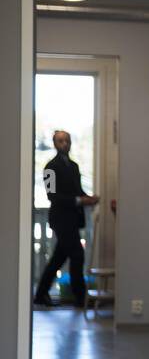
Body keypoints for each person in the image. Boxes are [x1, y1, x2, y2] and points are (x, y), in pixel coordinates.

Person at [33, 130, 98, 308]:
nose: (64, 144)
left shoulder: (74, 166)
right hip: (61, 220)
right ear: (54, 144)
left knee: (58, 258)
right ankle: (81, 297)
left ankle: (40, 295)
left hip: (73, 220)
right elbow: (52, 196)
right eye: (61, 141)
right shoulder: (49, 168)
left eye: (67, 140)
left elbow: (78, 190)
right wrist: (79, 200)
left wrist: (88, 198)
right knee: (77, 255)